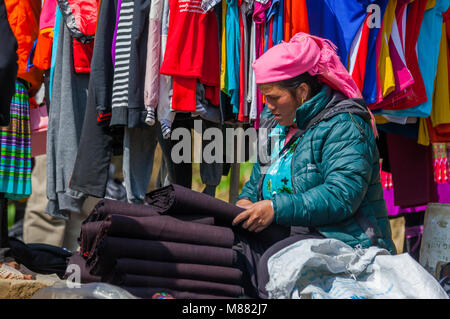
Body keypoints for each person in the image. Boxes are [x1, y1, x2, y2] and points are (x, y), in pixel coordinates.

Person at [233, 32, 396, 297]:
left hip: (340, 238)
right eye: (265, 97)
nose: (268, 105)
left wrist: (275, 208)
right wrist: (245, 202)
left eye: (274, 97)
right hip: (287, 230)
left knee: (272, 265)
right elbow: (257, 181)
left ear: (302, 92)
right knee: (227, 249)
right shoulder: (274, 123)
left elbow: (342, 195)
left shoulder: (344, 125)